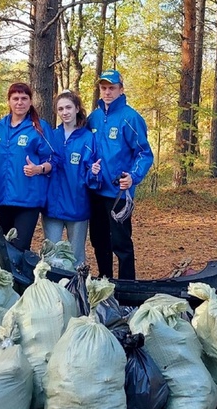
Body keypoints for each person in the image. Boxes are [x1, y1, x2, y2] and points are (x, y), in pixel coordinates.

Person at [87, 69, 154, 280]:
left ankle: (127, 285)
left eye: (112, 88)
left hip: (118, 192)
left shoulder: (131, 118)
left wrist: (133, 177)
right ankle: (105, 280)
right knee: (99, 240)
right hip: (96, 191)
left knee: (121, 242)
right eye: (104, 88)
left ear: (121, 89)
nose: (107, 92)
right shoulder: (94, 118)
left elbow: (144, 153)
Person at [0, 82, 55, 251]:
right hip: (3, 199)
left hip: (28, 199)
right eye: (15, 98)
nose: (20, 102)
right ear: (9, 101)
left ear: (31, 101)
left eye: (24, 98)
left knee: (19, 246)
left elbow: (53, 160)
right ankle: (8, 278)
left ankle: (20, 277)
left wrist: (38, 169)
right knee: (5, 248)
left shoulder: (39, 127)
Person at [42, 91, 97, 266]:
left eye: (68, 107)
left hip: (77, 206)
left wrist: (94, 172)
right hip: (52, 207)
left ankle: (75, 291)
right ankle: (51, 291)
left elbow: (90, 175)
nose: (65, 112)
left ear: (77, 109)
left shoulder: (88, 138)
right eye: (60, 109)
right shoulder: (51, 136)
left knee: (76, 258)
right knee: (51, 257)